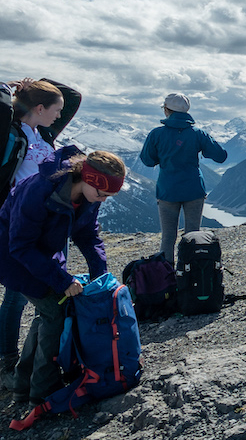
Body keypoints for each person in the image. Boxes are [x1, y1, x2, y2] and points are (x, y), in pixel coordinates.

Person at [0, 147, 124, 406]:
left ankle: (25, 383)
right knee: (55, 310)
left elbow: (88, 236)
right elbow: (20, 245)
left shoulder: (89, 197)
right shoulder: (40, 190)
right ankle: (42, 390)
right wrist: (62, 280)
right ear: (88, 179)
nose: (103, 200)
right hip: (12, 256)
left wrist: (100, 277)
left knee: (50, 311)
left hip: (41, 255)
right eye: (103, 194)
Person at [0, 78, 80, 390]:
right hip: (17, 223)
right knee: (17, 295)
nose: (60, 116)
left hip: (47, 223)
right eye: (54, 110)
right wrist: (10, 93)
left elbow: (72, 97)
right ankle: (7, 361)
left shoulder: (42, 133)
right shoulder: (12, 135)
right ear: (38, 108)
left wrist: (29, 84)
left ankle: (30, 360)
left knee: (44, 292)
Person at [140, 94, 228, 264]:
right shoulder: (197, 133)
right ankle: (191, 272)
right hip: (194, 189)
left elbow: (147, 160)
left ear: (167, 110)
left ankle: (166, 277)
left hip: (167, 190)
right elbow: (221, 156)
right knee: (193, 234)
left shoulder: (156, 134)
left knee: (168, 236)